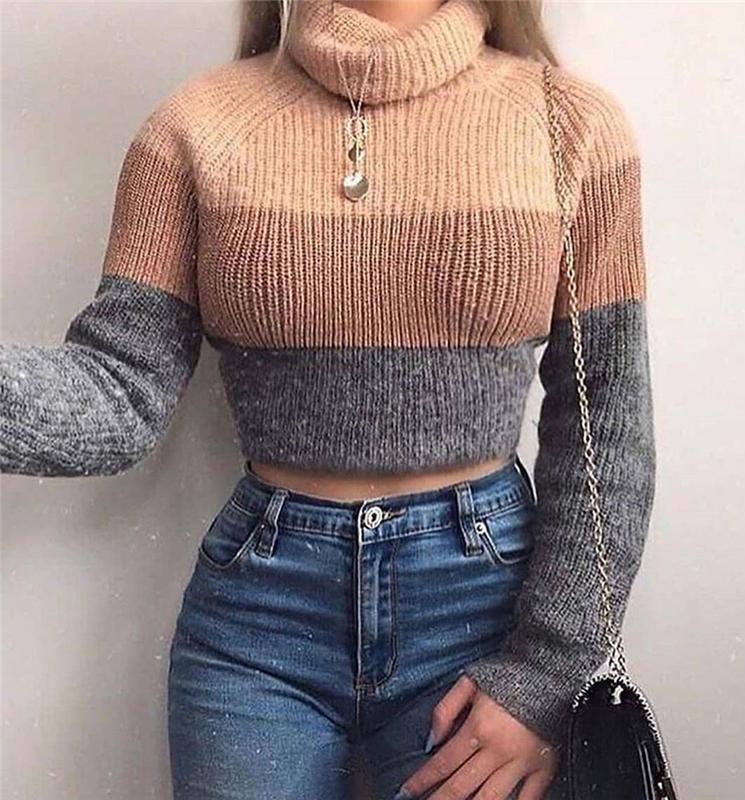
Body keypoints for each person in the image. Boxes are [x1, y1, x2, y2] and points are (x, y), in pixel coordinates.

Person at [0, 1, 656, 798]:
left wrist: (547, 671)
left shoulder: (569, 126)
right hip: (258, 627)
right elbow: (119, 390)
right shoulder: (193, 128)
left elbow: (607, 421)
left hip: (487, 614)